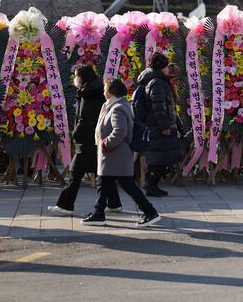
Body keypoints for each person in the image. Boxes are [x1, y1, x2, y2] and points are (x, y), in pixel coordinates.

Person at [82, 78, 161, 227]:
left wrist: (106, 143)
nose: (103, 91)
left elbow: (120, 131)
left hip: (116, 154)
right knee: (103, 184)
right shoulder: (115, 105)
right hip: (113, 156)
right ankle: (99, 213)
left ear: (111, 91)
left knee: (128, 186)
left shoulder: (117, 108)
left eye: (105, 88)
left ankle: (150, 212)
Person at [48, 65, 121, 216]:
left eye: (76, 76)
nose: (75, 79)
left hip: (87, 140)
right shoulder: (97, 90)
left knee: (75, 174)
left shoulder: (88, 94)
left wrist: (74, 135)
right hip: (97, 138)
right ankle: (114, 204)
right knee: (104, 172)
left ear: (82, 78)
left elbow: (84, 120)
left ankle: (65, 205)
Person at [137, 52, 182, 197]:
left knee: (162, 157)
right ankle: (151, 184)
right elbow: (158, 107)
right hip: (158, 127)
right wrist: (165, 127)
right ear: (163, 67)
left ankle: (152, 185)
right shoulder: (157, 82)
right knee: (161, 158)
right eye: (167, 66)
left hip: (157, 126)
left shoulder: (156, 80)